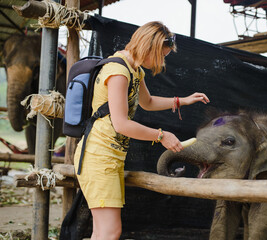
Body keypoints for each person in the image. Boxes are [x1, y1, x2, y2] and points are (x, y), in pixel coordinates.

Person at [73, 21, 210, 240]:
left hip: (109, 157)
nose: (162, 62)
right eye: (161, 55)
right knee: (109, 231)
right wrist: (161, 136)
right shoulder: (118, 72)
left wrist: (183, 101)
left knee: (101, 231)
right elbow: (121, 124)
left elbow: (148, 102)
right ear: (150, 48)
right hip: (98, 157)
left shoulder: (133, 70)